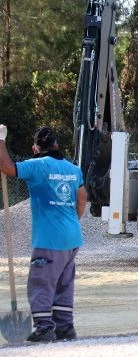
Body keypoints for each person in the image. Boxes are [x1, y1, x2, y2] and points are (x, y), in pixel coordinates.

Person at [0, 125, 86, 343]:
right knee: (64, 283)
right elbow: (82, 197)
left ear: (35, 147)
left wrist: (1, 141)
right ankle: (65, 328)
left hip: (49, 239)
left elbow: (7, 168)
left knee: (41, 282)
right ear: (57, 144)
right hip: (72, 238)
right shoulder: (73, 169)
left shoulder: (37, 166)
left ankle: (44, 328)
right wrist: (73, 220)